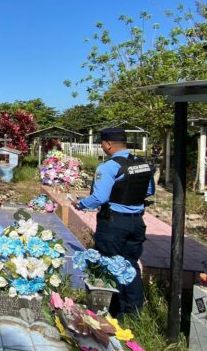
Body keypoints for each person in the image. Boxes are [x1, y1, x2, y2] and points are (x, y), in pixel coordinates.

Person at [71, 128, 155, 316]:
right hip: (136, 223)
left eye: (102, 143)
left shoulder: (108, 167)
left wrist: (81, 204)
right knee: (130, 266)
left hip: (114, 225)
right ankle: (134, 314)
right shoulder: (142, 164)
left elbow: (100, 197)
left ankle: (112, 312)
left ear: (108, 144)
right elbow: (149, 191)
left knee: (109, 265)